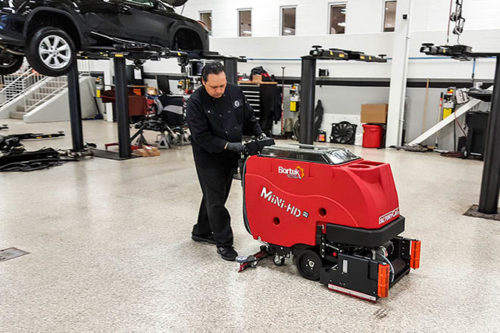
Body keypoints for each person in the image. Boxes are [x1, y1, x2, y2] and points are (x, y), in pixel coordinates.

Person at [186, 62, 264, 261]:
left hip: (231, 154)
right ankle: (224, 243)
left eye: (222, 85)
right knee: (216, 201)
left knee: (215, 196)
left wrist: (260, 135)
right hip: (208, 157)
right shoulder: (195, 102)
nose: (220, 90)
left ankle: (201, 231)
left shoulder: (235, 92)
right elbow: (201, 137)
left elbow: (249, 117)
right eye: (214, 87)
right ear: (203, 82)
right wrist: (229, 145)